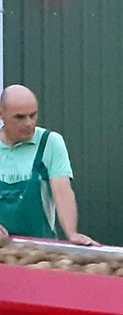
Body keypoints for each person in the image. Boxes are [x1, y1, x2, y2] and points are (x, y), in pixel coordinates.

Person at [0, 84, 95, 245]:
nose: (29, 123)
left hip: (40, 250)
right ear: (1, 114)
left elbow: (62, 190)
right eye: (20, 117)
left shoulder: (50, 142)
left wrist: (72, 233)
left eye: (33, 115)